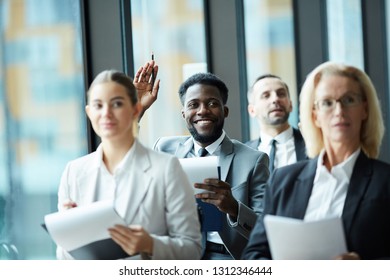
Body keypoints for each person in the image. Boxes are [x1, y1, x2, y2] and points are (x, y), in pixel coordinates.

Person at [242, 61, 390, 260]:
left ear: (365, 109)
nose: (339, 111)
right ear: (315, 116)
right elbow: (253, 256)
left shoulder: (385, 182)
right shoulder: (283, 180)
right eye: (327, 103)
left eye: (349, 100)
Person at [56, 69, 202, 260]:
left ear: (135, 110)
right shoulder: (73, 172)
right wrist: (69, 235)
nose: (106, 113)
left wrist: (150, 245)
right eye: (98, 105)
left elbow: (192, 249)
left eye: (116, 104)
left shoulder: (167, 169)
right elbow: (63, 259)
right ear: (89, 112)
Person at [137, 69, 269, 260]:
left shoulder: (253, 160)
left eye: (212, 103)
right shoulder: (165, 148)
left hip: (227, 257)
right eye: (193, 104)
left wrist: (234, 208)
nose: (203, 110)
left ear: (225, 111)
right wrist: (136, 113)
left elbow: (264, 229)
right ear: (184, 114)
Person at [246, 74, 306, 172]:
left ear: (290, 105)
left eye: (281, 94)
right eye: (266, 95)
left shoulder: (311, 143)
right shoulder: (243, 154)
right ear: (252, 110)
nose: (275, 99)